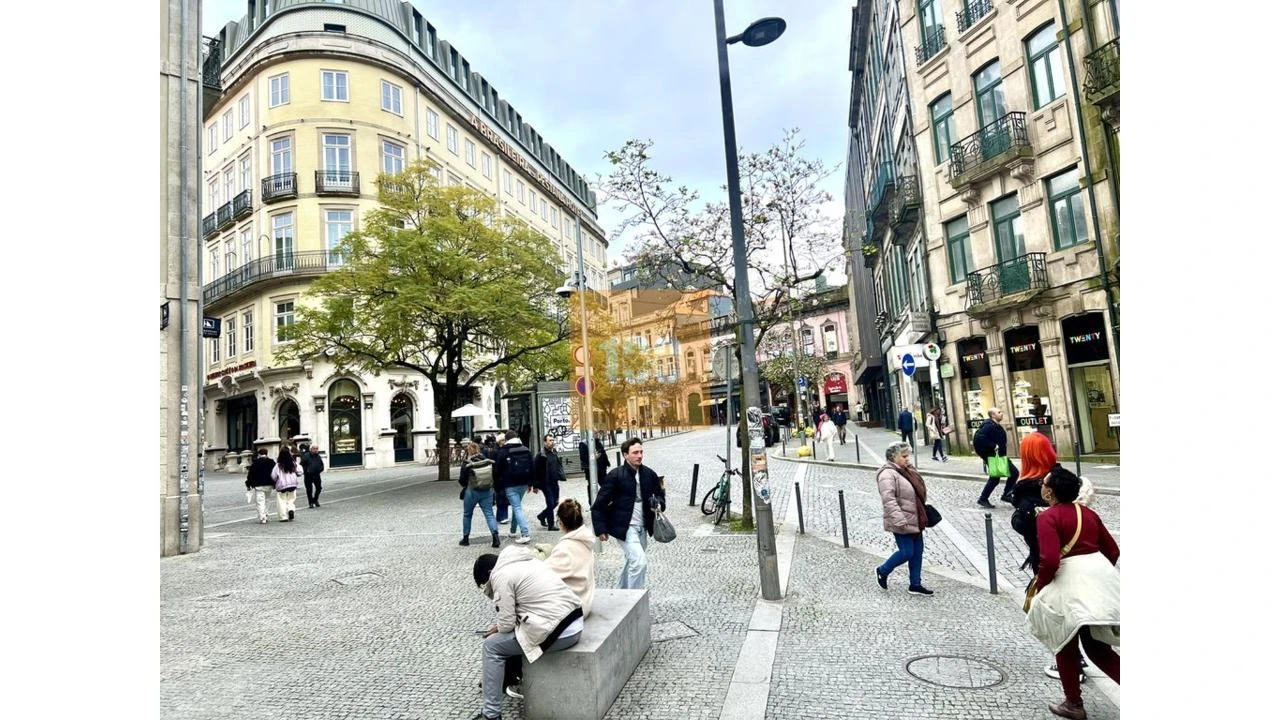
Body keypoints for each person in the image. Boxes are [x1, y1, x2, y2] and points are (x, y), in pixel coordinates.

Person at [1026, 466, 1120, 720]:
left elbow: (1049, 560)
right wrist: (1095, 576)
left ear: (1052, 491)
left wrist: (1042, 586)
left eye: (1045, 483)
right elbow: (1112, 550)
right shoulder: (1088, 513)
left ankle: (1074, 704)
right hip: (1100, 582)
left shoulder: (1048, 517)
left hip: (1070, 587)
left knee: (1064, 643)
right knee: (1099, 649)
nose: (1042, 486)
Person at [470, 547, 583, 720]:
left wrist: (499, 628)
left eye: (485, 585)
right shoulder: (527, 561)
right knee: (510, 637)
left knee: (491, 646)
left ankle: (491, 715)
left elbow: (507, 624)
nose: (487, 589)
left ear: (489, 573)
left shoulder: (501, 574)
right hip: (573, 621)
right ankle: (512, 677)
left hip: (559, 632)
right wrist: (501, 626)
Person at [503, 498, 599, 699]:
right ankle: (508, 672)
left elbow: (543, 574)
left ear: (561, 522)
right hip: (582, 599)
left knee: (520, 618)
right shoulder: (584, 541)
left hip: (572, 607)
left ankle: (511, 675)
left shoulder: (566, 548)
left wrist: (539, 557)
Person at [590, 438, 666, 589]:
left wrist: (658, 504)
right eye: (635, 452)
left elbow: (660, 496)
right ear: (625, 455)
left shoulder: (650, 474)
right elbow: (598, 505)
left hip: (643, 527)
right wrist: (601, 529)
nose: (639, 456)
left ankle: (620, 594)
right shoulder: (615, 475)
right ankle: (632, 600)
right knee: (639, 563)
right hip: (625, 528)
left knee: (632, 561)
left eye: (641, 452)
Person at [873, 441, 934, 596]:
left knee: (917, 552)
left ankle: (915, 584)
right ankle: (883, 570)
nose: (908, 459)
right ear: (894, 457)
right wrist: (899, 519)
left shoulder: (908, 470)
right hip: (901, 520)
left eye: (908, 456)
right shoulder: (887, 474)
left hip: (916, 517)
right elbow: (888, 499)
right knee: (907, 552)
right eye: (904, 456)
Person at [1010, 431, 1057, 573]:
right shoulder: (1064, 479)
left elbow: (1025, 526)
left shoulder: (1027, 489)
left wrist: (1016, 518)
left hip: (1046, 561)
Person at [494, 430, 535, 544]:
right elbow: (532, 467)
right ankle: (512, 530)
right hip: (524, 483)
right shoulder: (525, 449)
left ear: (506, 439)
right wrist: (531, 483)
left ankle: (525, 533)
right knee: (516, 507)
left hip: (510, 484)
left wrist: (497, 486)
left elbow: (497, 470)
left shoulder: (504, 451)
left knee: (517, 508)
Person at [973, 407, 1020, 507]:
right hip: (993, 456)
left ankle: (985, 498)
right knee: (1013, 473)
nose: (1001, 413)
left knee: (997, 478)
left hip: (999, 456)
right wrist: (993, 446)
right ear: (993, 415)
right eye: (999, 412)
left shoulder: (996, 425)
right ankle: (1005, 494)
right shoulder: (988, 426)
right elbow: (979, 438)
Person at [459, 441, 501, 548]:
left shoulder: (467, 463)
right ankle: (495, 537)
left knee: (467, 514)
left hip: (471, 492)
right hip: (487, 491)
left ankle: (466, 538)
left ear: (469, 451)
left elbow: (462, 480)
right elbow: (495, 475)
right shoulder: (487, 461)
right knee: (489, 514)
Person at [533, 435, 566, 531]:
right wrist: (535, 485)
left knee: (555, 502)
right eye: (550, 440)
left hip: (554, 482)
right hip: (545, 483)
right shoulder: (541, 455)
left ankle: (542, 516)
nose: (552, 442)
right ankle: (551, 524)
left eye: (553, 440)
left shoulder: (554, 453)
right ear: (545, 442)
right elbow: (535, 470)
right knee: (550, 502)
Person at [245, 448, 276, 524]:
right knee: (267, 500)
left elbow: (251, 475)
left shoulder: (255, 462)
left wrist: (248, 484)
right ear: (267, 453)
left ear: (259, 454)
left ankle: (262, 517)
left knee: (260, 501)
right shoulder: (271, 462)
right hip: (269, 484)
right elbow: (275, 473)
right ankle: (266, 514)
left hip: (258, 485)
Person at [271, 446, 302, 522]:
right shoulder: (293, 463)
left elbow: (273, 476)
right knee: (291, 499)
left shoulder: (278, 465)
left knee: (281, 500)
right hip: (292, 484)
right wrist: (296, 474)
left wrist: (275, 482)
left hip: (282, 485)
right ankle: (291, 509)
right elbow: (300, 471)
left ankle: (283, 517)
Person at [300, 444, 325, 508]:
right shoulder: (306, 456)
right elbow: (301, 465)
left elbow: (321, 464)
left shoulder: (318, 456)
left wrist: (320, 469)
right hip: (308, 475)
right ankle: (310, 502)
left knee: (319, 488)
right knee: (309, 489)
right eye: (314, 448)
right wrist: (306, 470)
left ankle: (315, 499)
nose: (316, 450)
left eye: (317, 448)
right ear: (311, 449)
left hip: (316, 475)